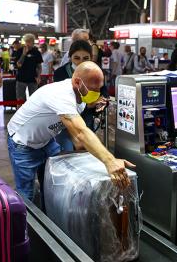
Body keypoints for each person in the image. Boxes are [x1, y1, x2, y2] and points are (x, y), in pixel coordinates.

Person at [7, 61, 133, 202]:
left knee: (50, 185)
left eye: (99, 89)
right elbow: (80, 132)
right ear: (78, 82)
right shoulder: (61, 95)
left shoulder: (80, 99)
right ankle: (24, 223)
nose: (97, 94)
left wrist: (97, 161)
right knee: (26, 195)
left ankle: (48, 217)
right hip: (23, 143)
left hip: (45, 141)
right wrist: (110, 161)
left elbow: (78, 141)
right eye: (93, 89)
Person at [54, 40, 108, 151]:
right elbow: (60, 100)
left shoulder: (96, 72)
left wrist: (101, 103)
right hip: (65, 122)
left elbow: (104, 93)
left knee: (85, 154)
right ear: (70, 57)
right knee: (66, 154)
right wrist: (88, 105)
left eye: (85, 58)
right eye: (77, 58)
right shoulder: (60, 73)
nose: (81, 62)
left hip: (87, 119)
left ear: (91, 57)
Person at [15, 33, 43, 108]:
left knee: (33, 100)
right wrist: (24, 54)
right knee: (20, 99)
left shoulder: (36, 52)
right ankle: (19, 116)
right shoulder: (20, 51)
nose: (28, 43)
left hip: (32, 79)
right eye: (26, 41)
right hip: (21, 79)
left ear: (33, 42)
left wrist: (38, 76)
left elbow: (39, 66)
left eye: (29, 41)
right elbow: (18, 65)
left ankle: (32, 115)